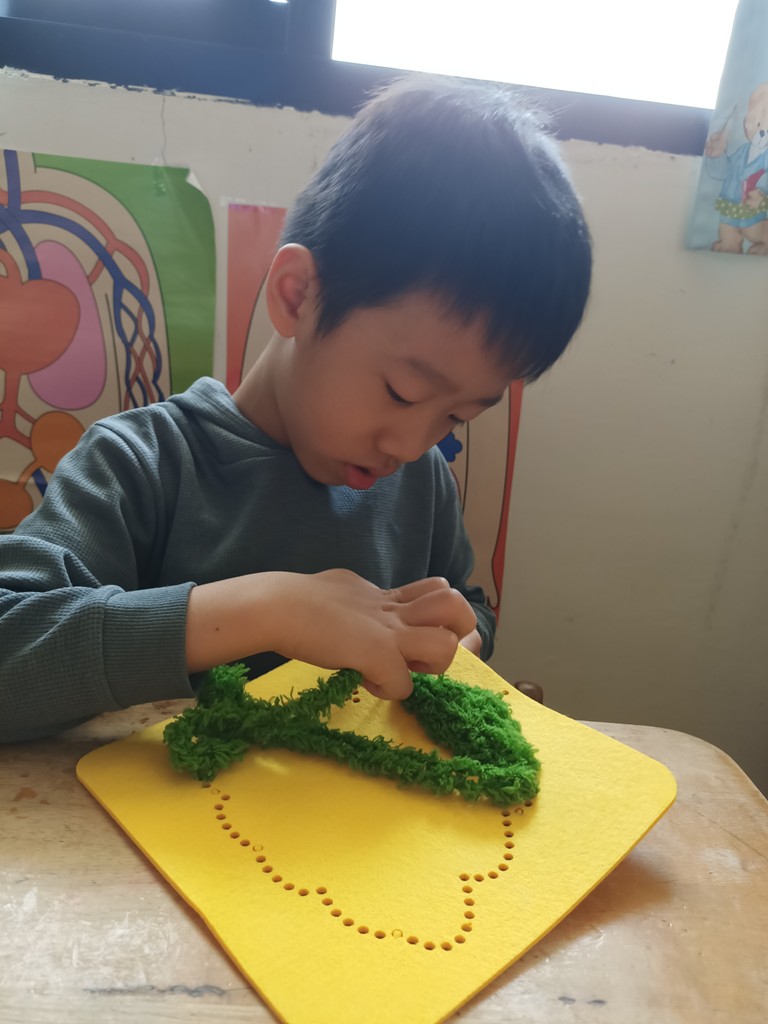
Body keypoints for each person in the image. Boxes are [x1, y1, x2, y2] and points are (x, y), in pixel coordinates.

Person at [0, 73, 592, 742]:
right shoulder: (142, 463)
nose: (410, 445)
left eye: (456, 417)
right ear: (296, 296)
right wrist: (267, 608)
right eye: (402, 392)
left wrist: (462, 637)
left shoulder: (421, 483)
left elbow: (469, 604)